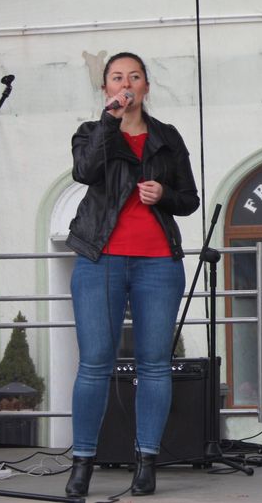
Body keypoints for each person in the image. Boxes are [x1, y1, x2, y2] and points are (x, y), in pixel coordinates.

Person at [64, 52, 199, 497]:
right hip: (99, 259)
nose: (126, 84)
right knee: (94, 363)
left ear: (146, 87)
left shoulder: (167, 137)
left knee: (154, 364)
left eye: (134, 77)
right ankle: (82, 464)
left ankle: (146, 462)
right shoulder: (91, 132)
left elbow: (189, 199)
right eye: (117, 77)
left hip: (157, 261)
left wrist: (164, 194)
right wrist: (110, 120)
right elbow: (85, 172)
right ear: (106, 88)